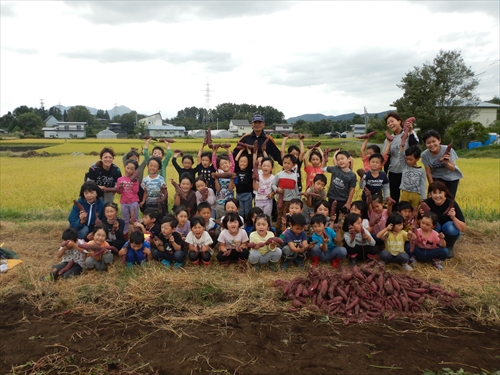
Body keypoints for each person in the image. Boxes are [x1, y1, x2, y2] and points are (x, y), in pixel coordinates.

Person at [420, 181, 466, 258]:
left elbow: (463, 228)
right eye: (434, 193)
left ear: (445, 193)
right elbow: (419, 224)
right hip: (435, 230)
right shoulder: (426, 204)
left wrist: (453, 217)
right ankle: (433, 244)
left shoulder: (452, 203)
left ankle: (449, 246)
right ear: (430, 194)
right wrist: (423, 217)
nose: (437, 196)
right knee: (433, 224)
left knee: (450, 226)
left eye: (440, 192)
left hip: (448, 232)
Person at [383, 112, 418, 202]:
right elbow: (385, 158)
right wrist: (384, 173)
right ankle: (394, 215)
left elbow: (415, 147)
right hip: (394, 171)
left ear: (399, 121)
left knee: (408, 196)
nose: (390, 124)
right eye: (388, 123)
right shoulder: (388, 139)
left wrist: (410, 131)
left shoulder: (410, 134)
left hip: (408, 171)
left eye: (392, 121)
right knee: (394, 196)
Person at [421, 130, 463, 198]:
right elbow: (428, 173)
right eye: (428, 143)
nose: (431, 144)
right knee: (434, 199)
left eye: (434, 141)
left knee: (449, 199)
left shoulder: (448, 150)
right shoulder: (424, 155)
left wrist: (446, 162)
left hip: (451, 177)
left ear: (439, 140)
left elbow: (452, 169)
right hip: (437, 178)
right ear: (425, 144)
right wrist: (431, 189)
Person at [323, 150, 357, 221]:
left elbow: (352, 190)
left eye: (342, 158)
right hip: (332, 198)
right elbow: (323, 168)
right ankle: (333, 230)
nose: (340, 161)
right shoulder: (335, 169)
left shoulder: (352, 175)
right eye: (338, 160)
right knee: (333, 217)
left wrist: (348, 203)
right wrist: (325, 161)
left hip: (343, 200)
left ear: (349, 159)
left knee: (349, 218)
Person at [273, 154, 300, 227]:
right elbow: (273, 185)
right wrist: (277, 189)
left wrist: (298, 199)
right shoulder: (279, 175)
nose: (286, 165)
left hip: (291, 201)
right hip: (281, 200)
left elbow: (296, 188)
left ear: (293, 165)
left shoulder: (295, 176)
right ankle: (279, 231)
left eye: (289, 163)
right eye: (285, 163)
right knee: (280, 216)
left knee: (291, 217)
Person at [116, 159, 140, 233]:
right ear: (125, 167)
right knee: (125, 219)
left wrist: (134, 182)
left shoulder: (135, 180)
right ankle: (125, 233)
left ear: (135, 171)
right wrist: (120, 187)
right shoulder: (120, 179)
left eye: (132, 169)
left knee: (135, 218)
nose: (129, 170)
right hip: (124, 202)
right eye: (128, 168)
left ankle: (137, 232)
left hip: (133, 202)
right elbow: (119, 192)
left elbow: (136, 191)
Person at [212, 145, 236, 220]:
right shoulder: (219, 172)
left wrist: (228, 149)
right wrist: (214, 152)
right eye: (222, 164)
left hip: (230, 200)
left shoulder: (233, 172)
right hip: (220, 200)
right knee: (220, 218)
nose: (224, 165)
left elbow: (230, 188)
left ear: (229, 164)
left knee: (230, 218)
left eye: (226, 163)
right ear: (219, 167)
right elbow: (218, 189)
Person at [234, 151, 253, 220]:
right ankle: (241, 224)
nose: (242, 163)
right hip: (239, 194)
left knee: (248, 211)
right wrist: (241, 150)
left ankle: (248, 224)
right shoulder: (237, 170)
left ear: (248, 163)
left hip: (248, 193)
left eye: (245, 162)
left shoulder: (249, 170)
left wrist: (248, 150)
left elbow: (251, 160)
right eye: (241, 161)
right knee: (240, 211)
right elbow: (235, 160)